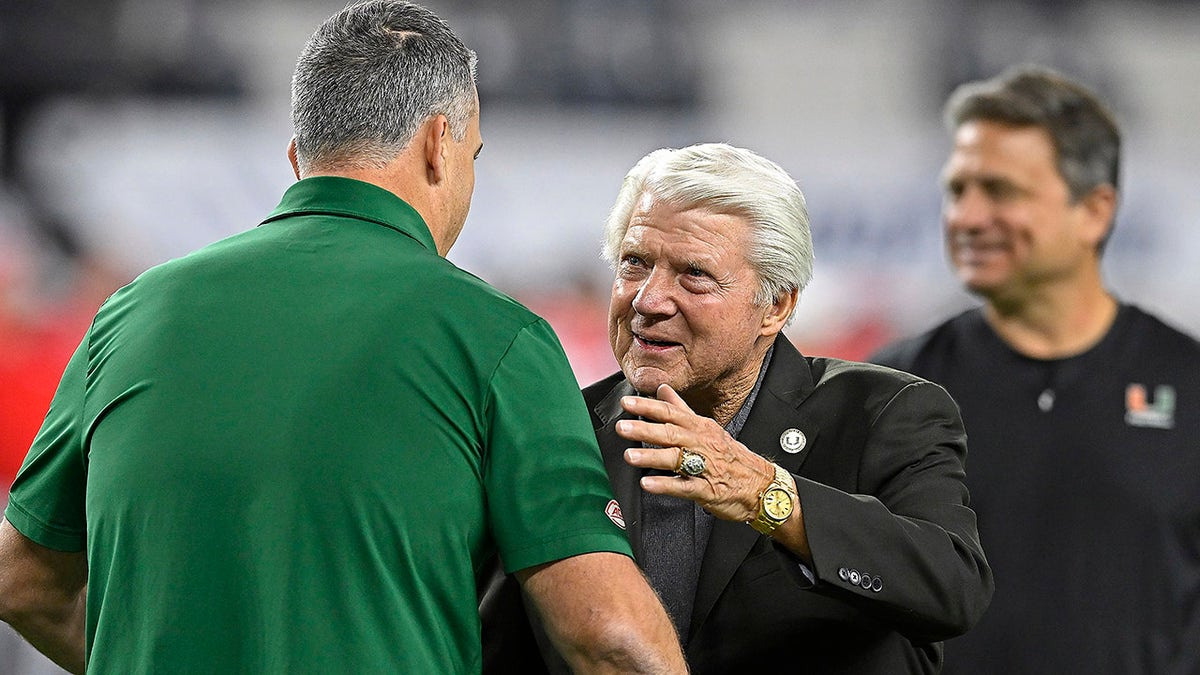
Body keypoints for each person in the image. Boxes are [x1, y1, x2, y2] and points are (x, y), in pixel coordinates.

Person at [0, 2, 687, 673]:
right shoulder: (495, 338)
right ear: (437, 147)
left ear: (299, 157)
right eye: (474, 153)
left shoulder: (127, 315)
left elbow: (20, 575)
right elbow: (610, 639)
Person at [480, 142, 994, 674]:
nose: (649, 300)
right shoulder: (561, 432)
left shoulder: (884, 414)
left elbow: (952, 585)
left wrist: (764, 493)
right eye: (635, 264)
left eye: (694, 274)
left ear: (776, 305)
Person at [870, 66, 1200, 674]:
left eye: (1000, 191)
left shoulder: (1191, 385)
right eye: (956, 189)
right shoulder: (890, 392)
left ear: (1094, 212)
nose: (965, 218)